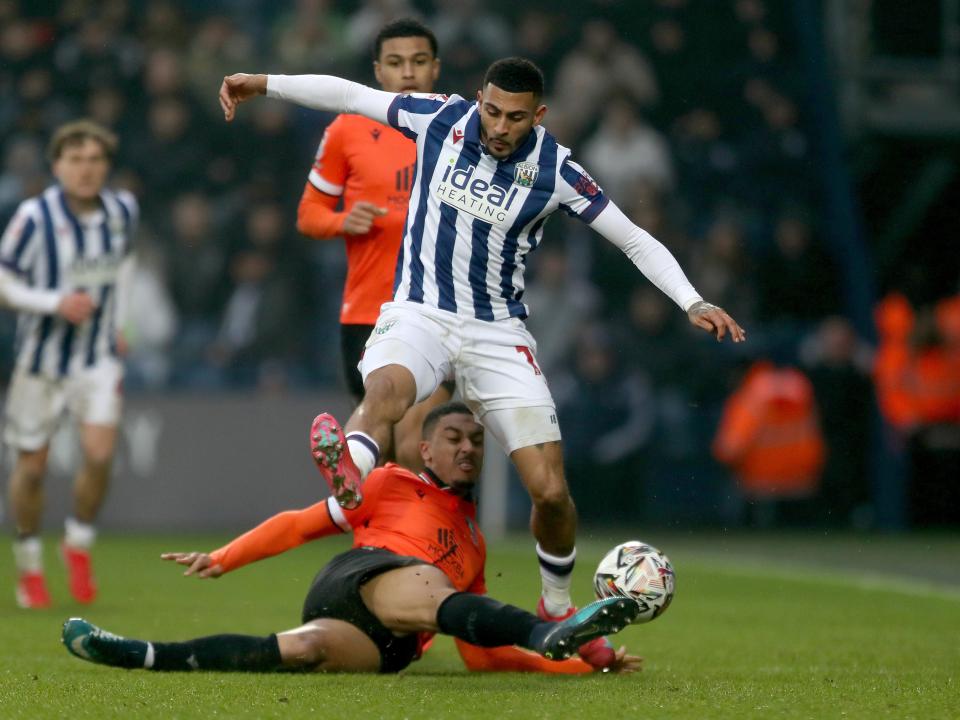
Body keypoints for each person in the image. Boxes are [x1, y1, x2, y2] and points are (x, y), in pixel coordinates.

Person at [217, 57, 745, 625]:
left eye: (514, 118)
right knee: (388, 391)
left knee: (550, 493)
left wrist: (693, 301)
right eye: (491, 111)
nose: (498, 127)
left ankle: (558, 608)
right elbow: (349, 94)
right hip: (420, 311)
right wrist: (266, 84)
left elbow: (635, 239)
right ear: (478, 99)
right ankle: (350, 467)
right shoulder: (439, 118)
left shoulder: (557, 170)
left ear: (537, 116)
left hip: (497, 331)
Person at [62, 402, 641, 674]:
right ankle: (347, 476)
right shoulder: (395, 481)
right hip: (359, 578)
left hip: (386, 641)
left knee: (300, 650)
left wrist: (585, 668)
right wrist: (224, 557)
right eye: (455, 438)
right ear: (427, 450)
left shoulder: (476, 544)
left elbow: (483, 654)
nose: (468, 448)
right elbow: (297, 524)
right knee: (427, 580)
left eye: (477, 441)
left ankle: (141, 655)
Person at [296, 18, 452, 469]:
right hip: (366, 311)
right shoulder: (348, 130)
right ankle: (387, 538)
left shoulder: (460, 130)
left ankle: (429, 535)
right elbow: (308, 215)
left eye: (419, 61)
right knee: (384, 457)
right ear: (378, 72)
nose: (408, 73)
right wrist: (345, 220)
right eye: (396, 63)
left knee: (415, 444)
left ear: (435, 68)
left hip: (433, 310)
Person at [0, 119, 137, 608]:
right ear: (57, 166)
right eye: (76, 160)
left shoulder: (122, 210)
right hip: (39, 363)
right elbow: (4, 280)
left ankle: (77, 544)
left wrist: (121, 322)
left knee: (99, 454)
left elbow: (123, 265)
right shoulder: (34, 217)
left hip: (97, 358)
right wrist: (52, 301)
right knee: (32, 469)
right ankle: (29, 562)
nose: (86, 169)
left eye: (96, 159)